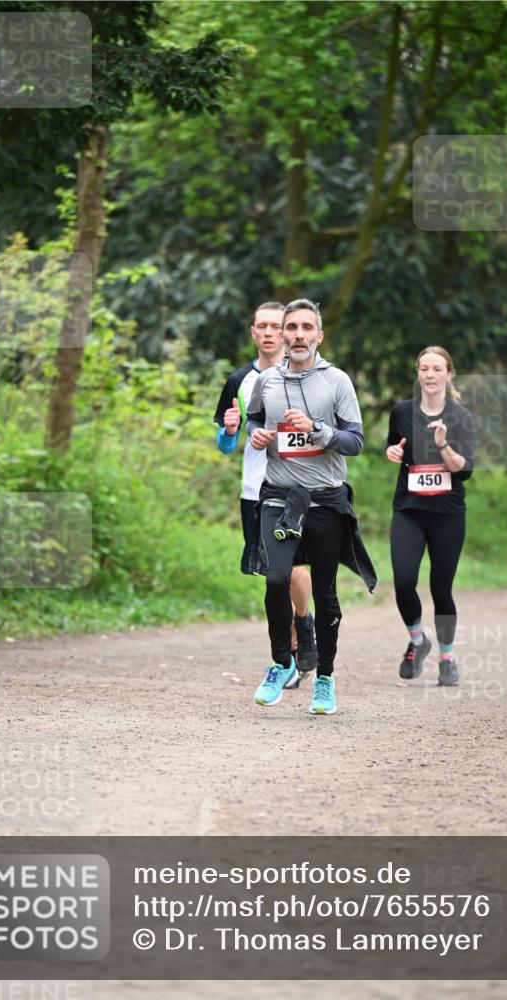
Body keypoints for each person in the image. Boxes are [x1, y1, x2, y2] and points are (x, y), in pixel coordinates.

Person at [246, 298, 376, 715]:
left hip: (325, 499)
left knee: (324, 591)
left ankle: (324, 677)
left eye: (306, 328)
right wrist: (256, 435)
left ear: (319, 335)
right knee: (276, 579)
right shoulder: (268, 381)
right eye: (292, 327)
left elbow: (355, 441)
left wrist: (319, 430)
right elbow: (254, 419)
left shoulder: (337, 381)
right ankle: (281, 663)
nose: (298, 335)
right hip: (279, 497)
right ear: (283, 334)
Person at [213, 302, 318, 680]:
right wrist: (229, 431)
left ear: (287, 331)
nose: (270, 332)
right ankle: (289, 654)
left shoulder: (310, 377)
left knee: (296, 574)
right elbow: (226, 446)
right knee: (275, 576)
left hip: (301, 489)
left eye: (277, 325)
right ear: (254, 332)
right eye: (263, 326)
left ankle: (303, 627)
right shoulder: (239, 381)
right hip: (256, 490)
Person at [386, 347, 476, 687]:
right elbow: (394, 446)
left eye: (437, 368)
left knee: (441, 587)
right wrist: (392, 452)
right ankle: (417, 640)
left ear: (448, 374)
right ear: (418, 373)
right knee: (403, 581)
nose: (430, 374)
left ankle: (447, 658)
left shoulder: (461, 417)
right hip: (409, 510)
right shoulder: (401, 411)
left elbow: (464, 470)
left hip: (447, 515)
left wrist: (442, 444)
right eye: (424, 368)